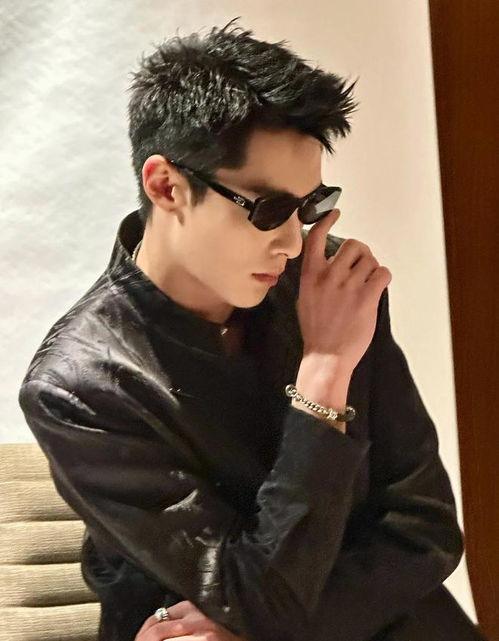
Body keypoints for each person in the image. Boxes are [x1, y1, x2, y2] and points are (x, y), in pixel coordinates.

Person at [18, 16, 479, 641]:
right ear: (167, 186)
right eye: (269, 210)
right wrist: (323, 373)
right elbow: (258, 593)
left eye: (308, 207)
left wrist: (258, 626)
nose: (292, 242)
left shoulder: (328, 290)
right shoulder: (79, 386)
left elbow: (425, 530)